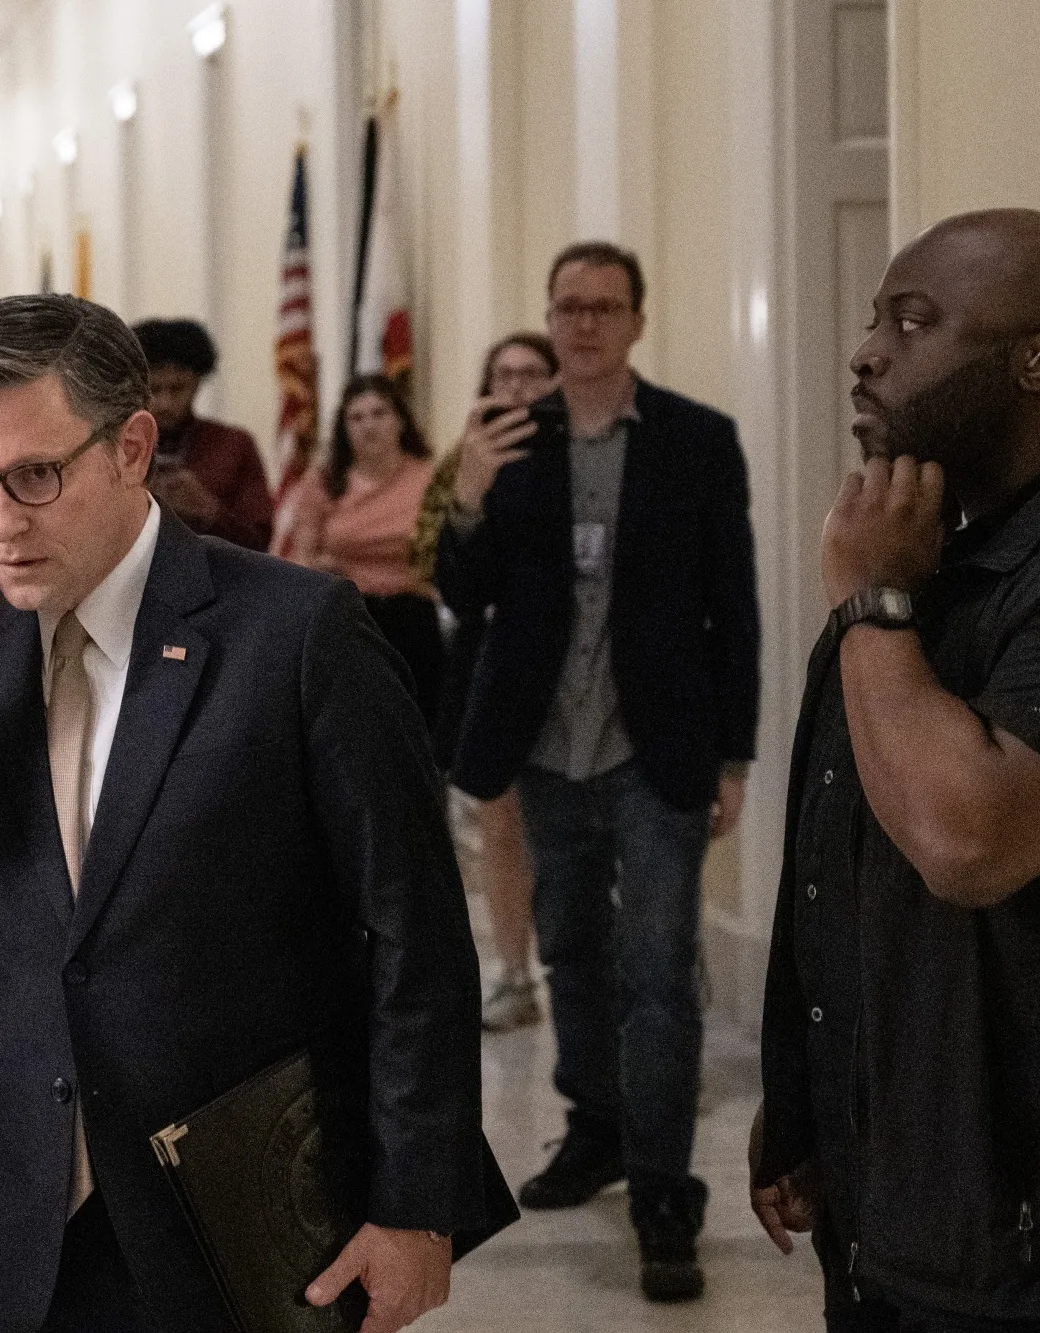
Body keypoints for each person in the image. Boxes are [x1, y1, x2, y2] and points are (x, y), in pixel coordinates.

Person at [0, 294, 515, 1333]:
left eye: (33, 477)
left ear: (130, 447)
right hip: (35, 1220)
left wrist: (415, 1205)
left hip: (250, 1210)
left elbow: (412, 932)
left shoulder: (293, 634)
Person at [753, 209, 1040, 1331]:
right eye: (871, 320)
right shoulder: (923, 549)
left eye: (912, 322)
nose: (865, 352)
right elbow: (836, 844)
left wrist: (867, 603)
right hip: (898, 1199)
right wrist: (806, 1099)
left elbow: (967, 838)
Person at [436, 240, 760, 1302]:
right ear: (548, 315)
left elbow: (733, 605)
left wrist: (733, 755)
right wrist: (470, 493)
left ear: (635, 319)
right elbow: (459, 588)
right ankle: (595, 1126)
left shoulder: (695, 440)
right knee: (570, 947)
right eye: (566, 307)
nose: (581, 324)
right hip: (544, 741)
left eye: (602, 307)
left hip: (652, 740)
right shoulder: (505, 442)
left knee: (658, 971)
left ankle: (664, 1184)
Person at [419, 334, 559, 1031]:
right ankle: (511, 971)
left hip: (574, 664)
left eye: (532, 374)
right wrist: (472, 492)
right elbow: (444, 573)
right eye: (503, 375)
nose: (517, 389)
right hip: (492, 657)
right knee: (500, 821)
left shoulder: (585, 452)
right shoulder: (465, 461)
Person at [278, 375, 445, 736]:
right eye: (357, 417)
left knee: (415, 736)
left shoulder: (430, 479)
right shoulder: (324, 482)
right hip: (348, 615)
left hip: (412, 616)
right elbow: (302, 561)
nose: (369, 425)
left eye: (379, 413)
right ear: (344, 427)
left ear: (400, 420)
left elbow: (440, 555)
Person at [131, 319, 275, 549]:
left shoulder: (234, 446)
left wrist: (209, 511)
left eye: (177, 388)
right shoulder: (121, 446)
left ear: (197, 383)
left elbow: (260, 539)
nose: (165, 403)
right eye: (155, 389)